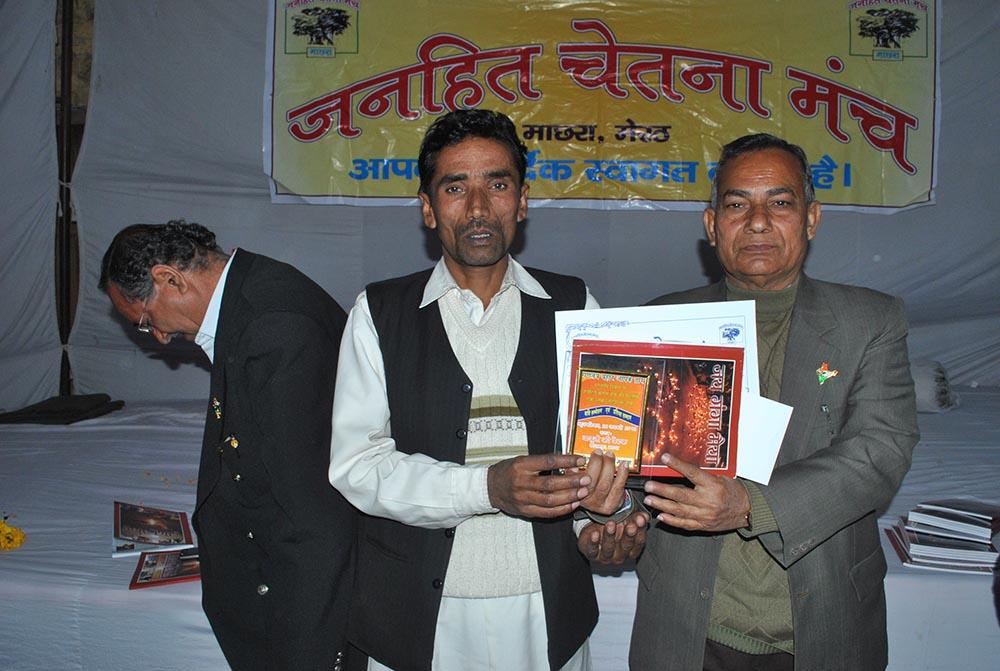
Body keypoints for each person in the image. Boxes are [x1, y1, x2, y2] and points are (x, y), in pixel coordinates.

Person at [329, 109, 647, 671]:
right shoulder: (378, 313)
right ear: (428, 208)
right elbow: (358, 467)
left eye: (497, 185)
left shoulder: (575, 306)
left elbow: (602, 450)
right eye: (455, 188)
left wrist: (603, 517)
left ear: (522, 201)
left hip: (546, 612)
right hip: (418, 619)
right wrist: (487, 488)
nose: (478, 208)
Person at [630, 133, 919, 671]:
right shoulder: (659, 323)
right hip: (687, 631)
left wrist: (749, 505)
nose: (758, 222)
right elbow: (636, 465)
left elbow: (881, 450)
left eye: (780, 203)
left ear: (811, 219)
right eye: (737, 205)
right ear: (712, 224)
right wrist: (609, 516)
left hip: (820, 630)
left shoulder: (869, 322)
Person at [99, 222, 360, 671]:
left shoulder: (273, 327)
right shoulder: (251, 291)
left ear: (169, 279)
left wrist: (306, 640)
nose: (158, 337)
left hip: (302, 589)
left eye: (145, 320)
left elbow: (307, 510)